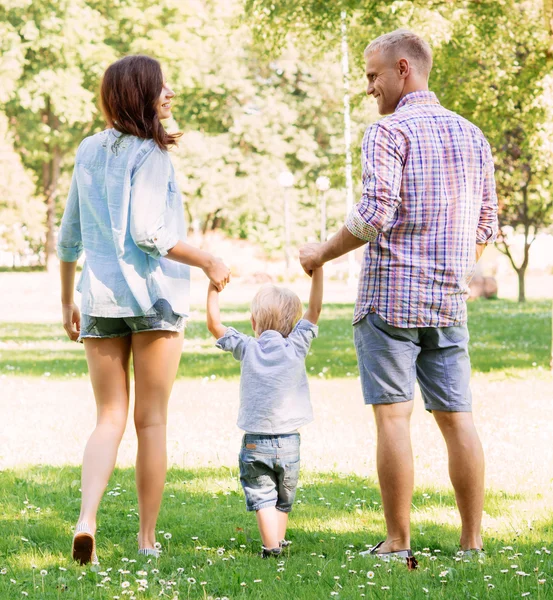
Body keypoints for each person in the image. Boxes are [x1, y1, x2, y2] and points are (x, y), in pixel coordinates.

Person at [300, 30, 498, 568]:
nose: (369, 88)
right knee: (458, 419)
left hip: (389, 300)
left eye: (373, 76)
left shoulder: (387, 132)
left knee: (393, 419)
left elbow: (373, 215)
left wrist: (321, 250)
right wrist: (450, 270)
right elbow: (486, 224)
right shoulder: (473, 135)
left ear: (403, 69)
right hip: (448, 302)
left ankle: (397, 541)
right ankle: (471, 543)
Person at [57, 54, 230, 564]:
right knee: (151, 422)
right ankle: (146, 540)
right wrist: (206, 259)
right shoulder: (151, 155)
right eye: (162, 86)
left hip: (99, 300)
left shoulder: (88, 150)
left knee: (108, 416)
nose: (170, 92)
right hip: (154, 300)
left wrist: (68, 297)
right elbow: (148, 233)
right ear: (140, 94)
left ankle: (87, 518)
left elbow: (69, 235)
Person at [206, 270, 323, 557]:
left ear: (253, 322)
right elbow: (315, 309)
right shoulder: (297, 345)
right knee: (283, 498)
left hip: (255, 440)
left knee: (262, 497)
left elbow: (214, 325)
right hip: (289, 441)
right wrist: (317, 270)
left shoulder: (247, 347)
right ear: (293, 323)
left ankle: (272, 548)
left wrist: (212, 286)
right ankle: (276, 543)